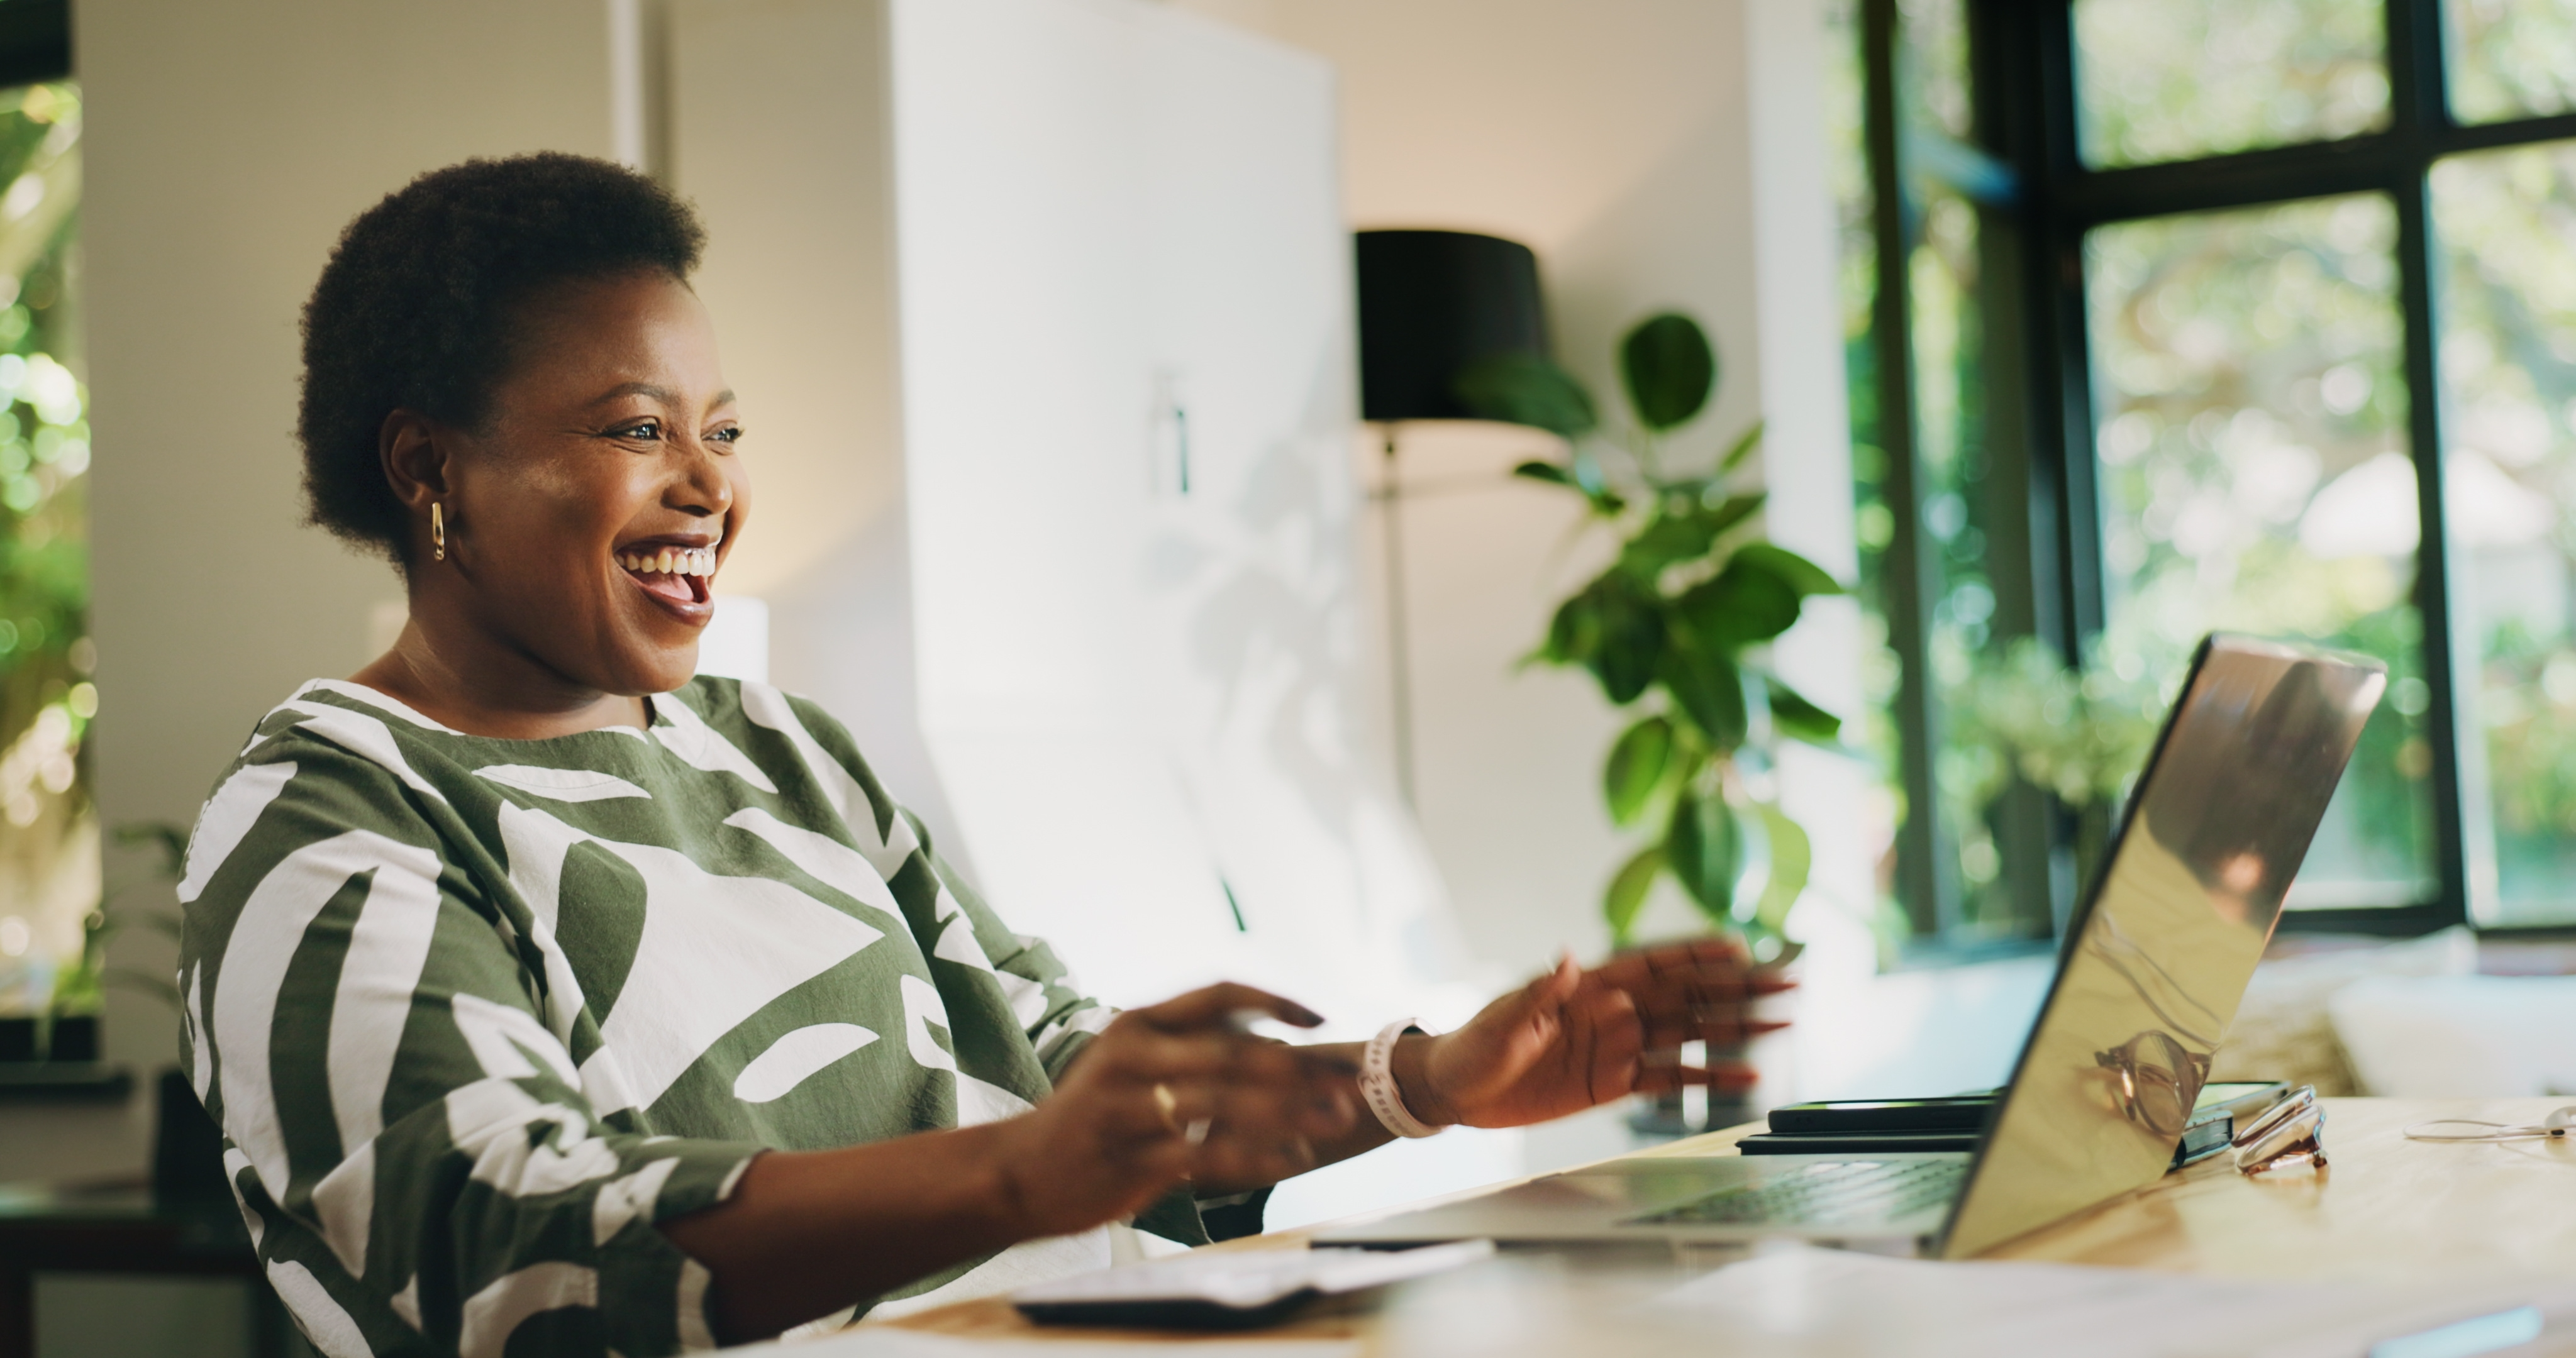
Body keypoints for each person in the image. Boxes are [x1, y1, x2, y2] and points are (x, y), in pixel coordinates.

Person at [175, 153, 1785, 1357]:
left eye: (720, 429)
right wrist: (1026, 1176)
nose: (707, 487)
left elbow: (1083, 1080)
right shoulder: (326, 812)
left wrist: (1426, 1079)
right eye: (632, 428)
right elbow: (504, 1249)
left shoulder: (780, 752)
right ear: (425, 471)